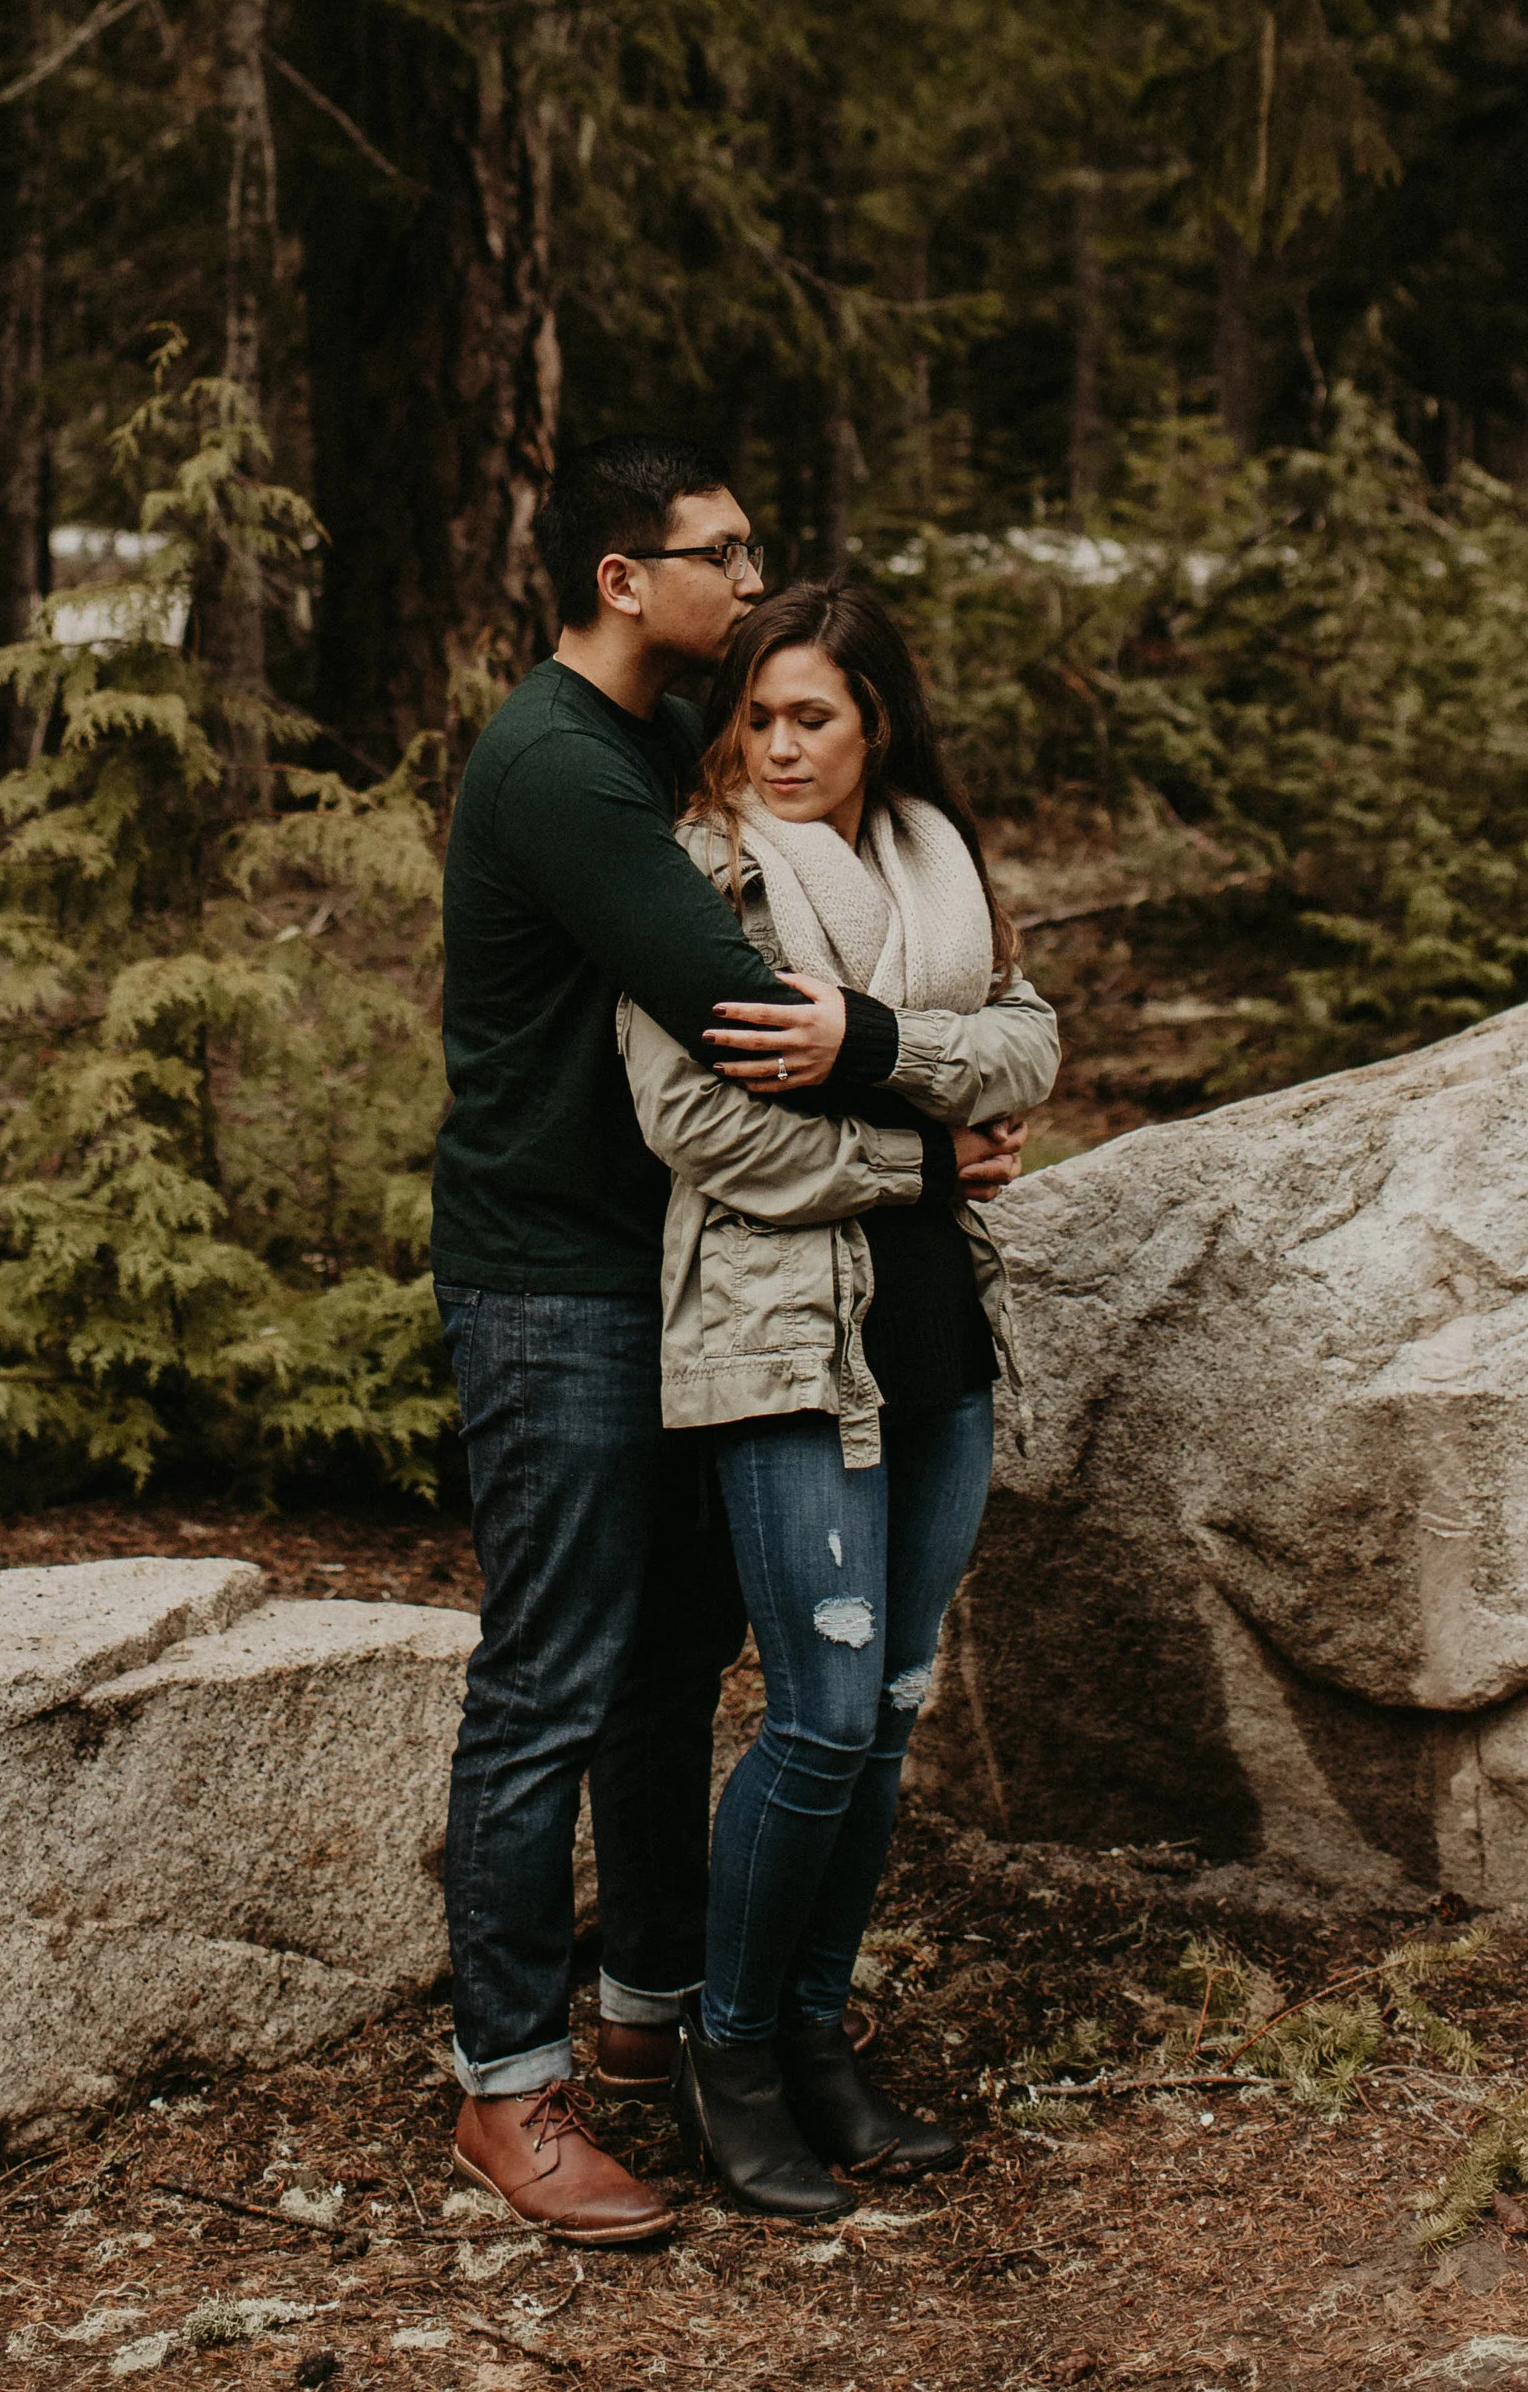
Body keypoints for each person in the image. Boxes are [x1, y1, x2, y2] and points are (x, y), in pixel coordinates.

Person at [434, 437, 983, 2245]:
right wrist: (926, 1133)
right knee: (550, 1677)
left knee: (671, 1663)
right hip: (557, 1281)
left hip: (676, 1272)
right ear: (622, 578)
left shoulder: (669, 747)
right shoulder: (563, 772)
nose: (749, 586)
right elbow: (749, 1016)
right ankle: (506, 2091)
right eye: (719, 557)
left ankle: (654, 2010)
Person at [618, 578, 1060, 2223]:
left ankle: (818, 2041)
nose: (776, 746)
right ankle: (727, 2065)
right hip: (782, 1344)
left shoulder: (936, 867)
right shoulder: (705, 874)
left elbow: (1032, 1042)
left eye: (813, 715)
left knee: (885, 1715)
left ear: (877, 722)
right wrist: (921, 1147)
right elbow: (702, 1129)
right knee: (814, 1711)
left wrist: (870, 1040)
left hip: (938, 1342)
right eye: (755, 716)